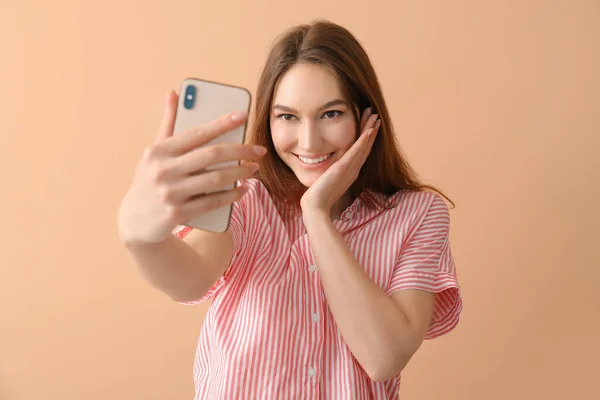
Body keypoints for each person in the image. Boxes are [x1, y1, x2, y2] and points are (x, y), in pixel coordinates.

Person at [118, 19, 462, 400]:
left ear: (366, 115)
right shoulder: (248, 203)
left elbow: (384, 357)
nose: (309, 141)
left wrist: (316, 212)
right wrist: (139, 237)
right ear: (269, 120)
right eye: (288, 116)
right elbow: (190, 278)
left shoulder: (417, 215)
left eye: (331, 113)